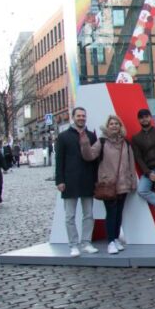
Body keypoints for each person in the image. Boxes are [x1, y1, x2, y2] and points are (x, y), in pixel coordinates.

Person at [79, 115, 138, 255]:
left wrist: (133, 181)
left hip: (123, 184)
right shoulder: (102, 142)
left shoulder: (126, 143)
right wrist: (85, 143)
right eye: (111, 124)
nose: (114, 126)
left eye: (117, 123)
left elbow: (131, 163)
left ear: (120, 126)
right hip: (108, 184)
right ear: (107, 126)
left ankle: (116, 238)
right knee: (111, 213)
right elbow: (89, 156)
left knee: (118, 213)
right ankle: (111, 241)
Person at [55, 107, 99, 257]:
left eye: (83, 116)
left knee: (88, 215)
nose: (81, 118)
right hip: (69, 181)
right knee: (70, 216)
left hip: (87, 179)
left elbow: (95, 161)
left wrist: (96, 179)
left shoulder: (92, 136)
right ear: (73, 117)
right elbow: (59, 160)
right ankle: (73, 245)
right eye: (78, 115)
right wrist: (59, 180)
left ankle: (86, 243)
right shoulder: (63, 137)